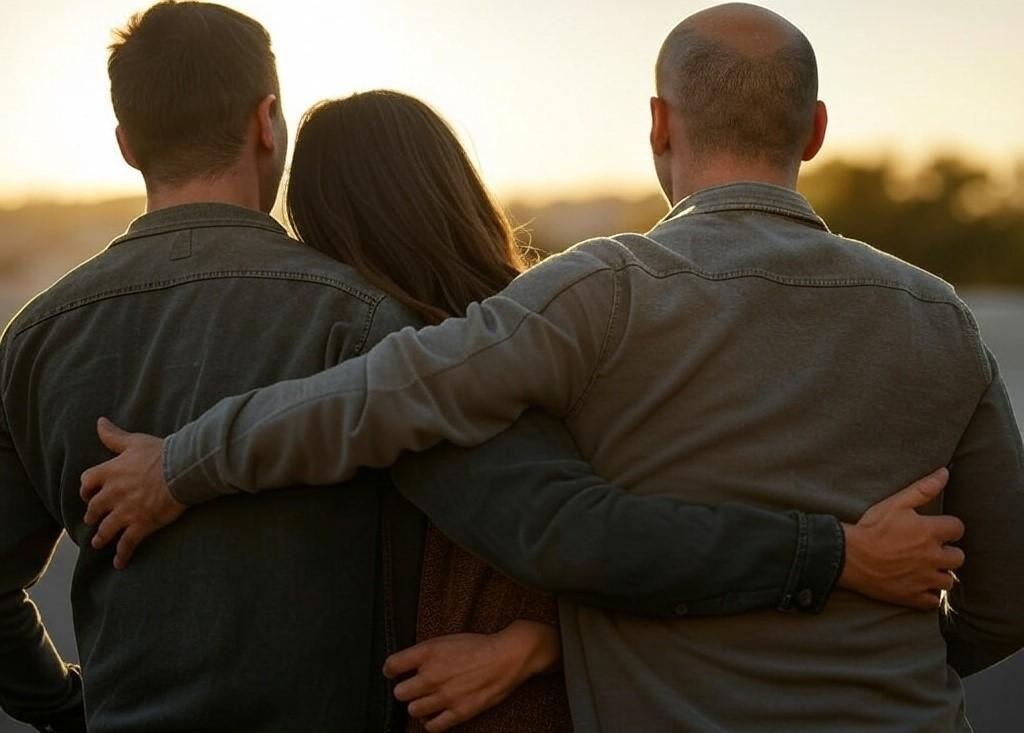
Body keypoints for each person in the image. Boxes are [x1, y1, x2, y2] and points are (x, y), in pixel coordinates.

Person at [0, 3, 960, 732]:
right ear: (266, 124)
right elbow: (559, 527)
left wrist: (63, 707)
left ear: (125, 143)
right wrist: (827, 556)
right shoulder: (371, 318)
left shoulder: (34, 336)